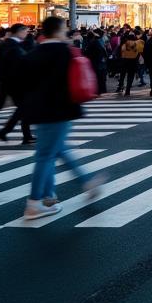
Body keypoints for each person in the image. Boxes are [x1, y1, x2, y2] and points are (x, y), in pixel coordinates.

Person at [19, 16, 102, 219]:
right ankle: (34, 202)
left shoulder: (32, 53)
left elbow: (21, 84)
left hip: (38, 111)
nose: (67, 32)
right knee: (46, 155)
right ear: (57, 30)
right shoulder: (65, 52)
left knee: (56, 149)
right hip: (60, 110)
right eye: (64, 29)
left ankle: (67, 188)